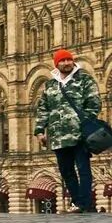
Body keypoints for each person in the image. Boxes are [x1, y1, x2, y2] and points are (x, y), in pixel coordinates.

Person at [34, 48, 100, 214]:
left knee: (83, 170)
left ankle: (84, 203)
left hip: (80, 134)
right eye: (62, 61)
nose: (66, 63)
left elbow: (94, 103)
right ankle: (77, 203)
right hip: (58, 136)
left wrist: (85, 123)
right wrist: (40, 130)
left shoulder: (84, 79)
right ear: (57, 64)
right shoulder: (50, 85)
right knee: (66, 172)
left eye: (68, 59)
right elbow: (43, 109)